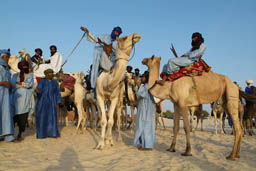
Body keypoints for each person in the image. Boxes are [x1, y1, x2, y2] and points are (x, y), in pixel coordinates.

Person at [36, 69, 62, 139]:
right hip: (43, 102)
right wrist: (37, 91)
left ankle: (53, 133)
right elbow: (39, 90)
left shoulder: (55, 83)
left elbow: (57, 93)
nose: (50, 74)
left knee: (52, 117)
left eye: (51, 73)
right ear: (46, 74)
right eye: (49, 73)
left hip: (52, 102)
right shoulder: (42, 81)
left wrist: (57, 102)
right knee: (42, 117)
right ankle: (42, 134)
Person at [12, 60, 35, 141]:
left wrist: (19, 83)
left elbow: (29, 84)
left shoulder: (30, 75)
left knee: (23, 118)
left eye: (26, 66)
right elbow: (13, 84)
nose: (25, 68)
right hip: (16, 99)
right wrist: (22, 84)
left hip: (26, 99)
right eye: (24, 66)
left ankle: (19, 134)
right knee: (14, 118)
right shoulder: (15, 75)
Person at [133, 72, 156, 150]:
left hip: (147, 110)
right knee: (141, 125)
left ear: (146, 78)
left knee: (146, 126)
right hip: (143, 108)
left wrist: (139, 85)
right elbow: (138, 94)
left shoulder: (148, 86)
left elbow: (142, 94)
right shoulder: (144, 86)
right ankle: (142, 144)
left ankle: (148, 146)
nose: (141, 78)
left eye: (142, 77)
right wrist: (137, 85)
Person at [0, 49, 15, 142]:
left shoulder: (7, 70)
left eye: (8, 57)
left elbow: (10, 82)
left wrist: (10, 85)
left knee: (6, 112)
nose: (7, 59)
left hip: (6, 94)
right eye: (6, 57)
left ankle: (7, 134)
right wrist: (3, 82)